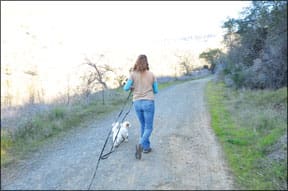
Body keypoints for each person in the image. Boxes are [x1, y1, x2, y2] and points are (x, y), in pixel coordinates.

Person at [123, 54, 158, 160]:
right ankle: (140, 145)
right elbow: (156, 91)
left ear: (137, 62)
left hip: (137, 102)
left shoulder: (133, 74)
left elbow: (126, 88)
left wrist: (133, 87)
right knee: (149, 127)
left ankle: (146, 147)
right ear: (146, 62)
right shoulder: (151, 74)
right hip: (148, 102)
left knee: (143, 125)